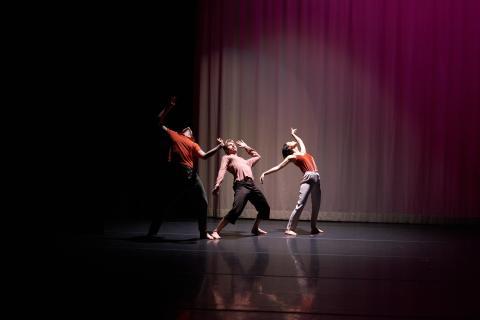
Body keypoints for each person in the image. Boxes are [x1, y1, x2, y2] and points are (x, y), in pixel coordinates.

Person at [147, 96, 223, 240]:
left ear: (192, 135)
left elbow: (205, 155)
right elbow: (158, 122)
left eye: (190, 129)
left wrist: (219, 147)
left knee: (203, 201)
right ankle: (152, 233)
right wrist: (168, 107)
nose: (188, 128)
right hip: (177, 173)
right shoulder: (175, 135)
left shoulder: (193, 144)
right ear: (183, 131)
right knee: (165, 203)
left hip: (191, 174)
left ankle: (202, 232)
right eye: (186, 128)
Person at [260, 128, 323, 236]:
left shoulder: (303, 152)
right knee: (300, 204)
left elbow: (301, 142)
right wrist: (265, 173)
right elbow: (278, 167)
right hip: (308, 177)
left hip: (316, 177)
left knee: (316, 204)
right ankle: (289, 228)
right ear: (289, 147)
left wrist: (293, 134)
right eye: (289, 142)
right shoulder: (292, 156)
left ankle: (313, 227)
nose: (291, 141)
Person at [211, 139, 270, 239]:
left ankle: (255, 228)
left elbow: (257, 156)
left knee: (264, 208)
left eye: (234, 144)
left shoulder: (246, 161)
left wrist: (246, 147)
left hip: (251, 185)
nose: (233, 146)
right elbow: (222, 170)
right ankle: (216, 231)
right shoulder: (227, 157)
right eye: (230, 145)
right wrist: (218, 184)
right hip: (241, 185)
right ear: (226, 150)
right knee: (236, 209)